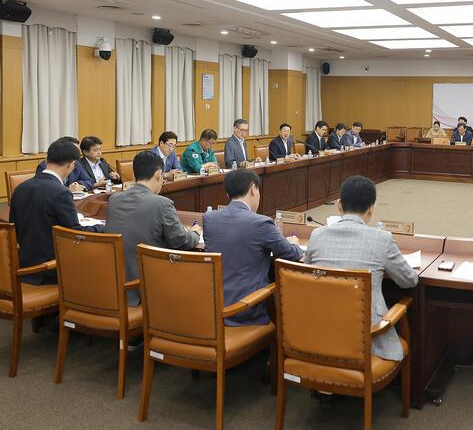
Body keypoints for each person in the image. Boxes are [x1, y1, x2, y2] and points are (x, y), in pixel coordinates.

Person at [304, 176, 418, 361]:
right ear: (371, 208)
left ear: (339, 205)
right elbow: (409, 281)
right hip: (367, 340)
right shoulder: (382, 239)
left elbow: (305, 273)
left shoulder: (317, 235)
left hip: (320, 334)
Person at [204, 170, 303, 326]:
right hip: (246, 310)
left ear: (228, 194)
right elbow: (290, 253)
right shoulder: (261, 223)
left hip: (213, 309)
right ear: (253, 189)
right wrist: (295, 244)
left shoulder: (209, 218)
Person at [105, 151, 200, 306]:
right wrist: (195, 233)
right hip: (147, 288)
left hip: (113, 285)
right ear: (158, 175)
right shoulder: (162, 204)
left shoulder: (114, 199)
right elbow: (181, 242)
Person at [10, 139, 103, 285]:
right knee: (101, 262)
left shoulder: (20, 188)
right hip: (50, 270)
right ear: (71, 165)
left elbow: (13, 230)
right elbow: (75, 234)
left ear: (47, 160)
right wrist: (102, 227)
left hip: (23, 266)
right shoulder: (61, 192)